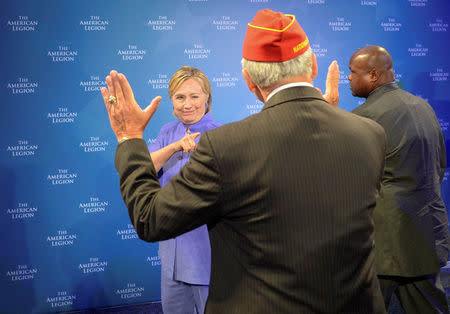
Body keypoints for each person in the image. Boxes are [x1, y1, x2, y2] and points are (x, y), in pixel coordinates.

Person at [101, 9, 387, 313]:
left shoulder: (225, 146)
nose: (188, 104)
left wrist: (129, 136)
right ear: (313, 65)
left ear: (249, 81)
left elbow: (150, 218)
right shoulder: (371, 134)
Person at [347, 45, 450, 313]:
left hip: (383, 245)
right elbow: (439, 166)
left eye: (352, 72)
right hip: (427, 235)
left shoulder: (362, 118)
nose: (348, 78)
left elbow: (351, 184)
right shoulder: (423, 106)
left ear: (373, 75)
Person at [148, 66, 221, 314]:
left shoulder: (221, 136)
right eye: (180, 97)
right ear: (172, 100)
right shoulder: (167, 132)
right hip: (171, 253)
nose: (187, 104)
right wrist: (175, 147)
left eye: (194, 96)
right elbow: (144, 168)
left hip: (207, 255)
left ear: (207, 98)